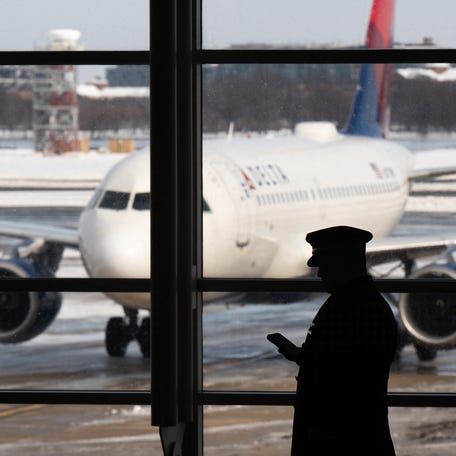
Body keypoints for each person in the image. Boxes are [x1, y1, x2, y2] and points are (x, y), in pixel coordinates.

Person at [270, 225, 397, 456]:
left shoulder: (349, 307)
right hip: (356, 434)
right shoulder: (362, 304)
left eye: (325, 265)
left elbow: (341, 377)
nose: (320, 274)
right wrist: (303, 357)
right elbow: (343, 362)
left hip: (341, 438)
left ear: (342, 263)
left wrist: (307, 360)